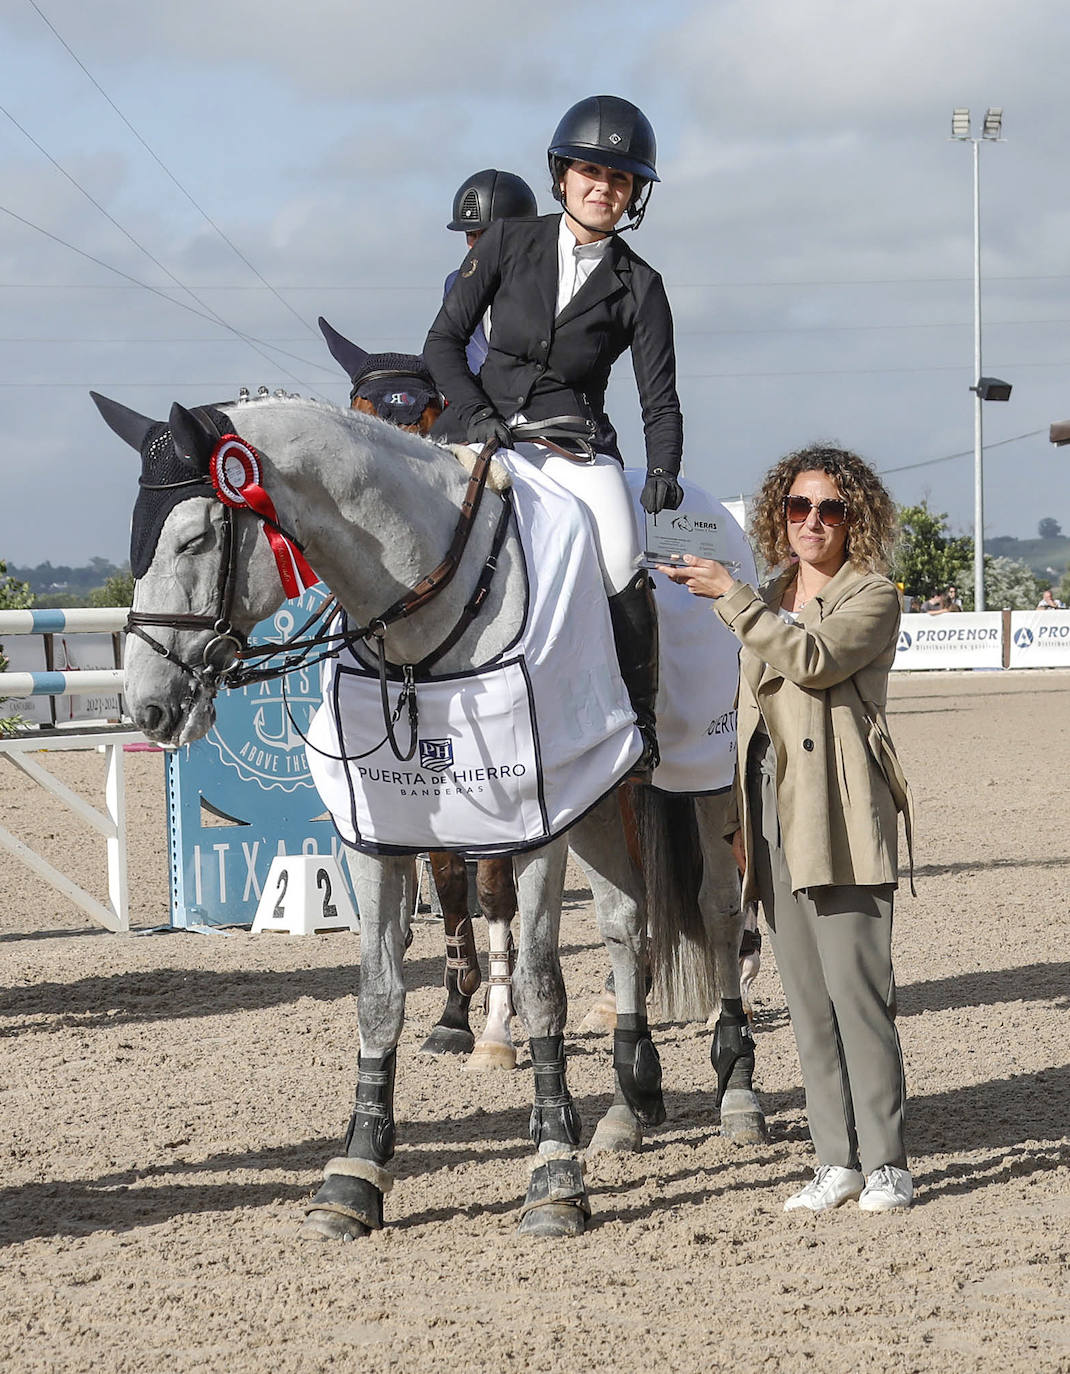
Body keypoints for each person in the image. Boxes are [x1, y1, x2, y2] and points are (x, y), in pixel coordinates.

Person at [658, 444, 915, 1213]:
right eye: (798, 507)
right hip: (771, 807)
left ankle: (887, 1163)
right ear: (780, 515)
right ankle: (835, 1159)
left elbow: (812, 660)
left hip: (838, 810)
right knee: (806, 998)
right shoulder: (770, 590)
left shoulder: (872, 594)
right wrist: (739, 821)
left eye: (830, 509)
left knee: (858, 994)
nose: (812, 522)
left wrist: (732, 598)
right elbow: (751, 717)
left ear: (853, 519)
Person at [424, 94, 684, 769]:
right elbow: (444, 344)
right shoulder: (509, 242)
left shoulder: (641, 287)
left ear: (633, 196)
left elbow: (659, 399)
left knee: (624, 560)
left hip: (575, 446)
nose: (603, 188)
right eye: (591, 173)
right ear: (562, 174)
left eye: (620, 179)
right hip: (480, 432)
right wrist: (479, 417)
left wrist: (663, 471)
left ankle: (638, 720)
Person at [444, 169, 538, 375]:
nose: (475, 247)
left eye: (487, 236)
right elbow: (444, 349)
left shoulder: (547, 285)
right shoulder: (455, 283)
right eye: (471, 234)